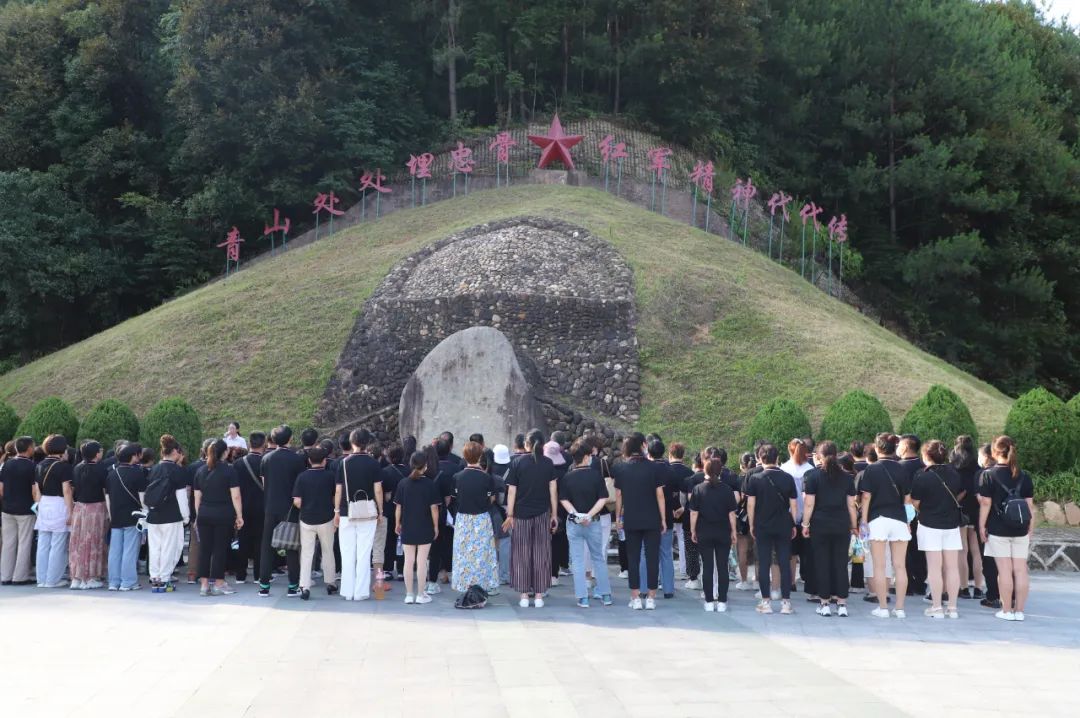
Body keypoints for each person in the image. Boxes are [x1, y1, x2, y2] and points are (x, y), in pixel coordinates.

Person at [978, 436, 1034, 622]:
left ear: (994, 452)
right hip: (1021, 528)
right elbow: (1029, 506)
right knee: (1020, 570)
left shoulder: (988, 475)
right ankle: (1020, 611)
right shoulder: (1024, 475)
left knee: (1004, 570)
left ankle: (1007, 610)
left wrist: (981, 526)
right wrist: (1030, 528)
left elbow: (986, 503)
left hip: (998, 528)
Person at [502, 429, 558, 608]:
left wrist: (510, 514)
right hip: (542, 513)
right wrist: (554, 514)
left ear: (526, 444)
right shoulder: (548, 463)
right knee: (541, 554)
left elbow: (511, 491)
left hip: (520, 515)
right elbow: (553, 491)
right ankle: (539, 596)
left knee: (521, 554)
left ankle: (524, 595)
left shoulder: (517, 462)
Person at [802, 441, 858, 617]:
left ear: (818, 456)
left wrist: (805, 524)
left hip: (820, 524)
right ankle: (842, 604)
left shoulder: (813, 476)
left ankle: (824, 603)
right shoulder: (847, 477)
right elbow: (851, 506)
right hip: (842, 524)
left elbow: (809, 504)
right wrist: (854, 526)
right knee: (841, 564)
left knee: (822, 563)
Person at [859, 433, 912, 618]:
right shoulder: (902, 469)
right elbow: (907, 500)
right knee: (900, 566)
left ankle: (883, 607)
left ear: (877, 447)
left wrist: (863, 521)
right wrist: (908, 521)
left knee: (880, 566)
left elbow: (866, 497)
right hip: (899, 520)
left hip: (878, 519)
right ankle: (900, 608)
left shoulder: (871, 469)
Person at [911, 440, 965, 618]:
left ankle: (936, 606)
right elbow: (960, 493)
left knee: (934, 567)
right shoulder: (954, 474)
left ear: (926, 456)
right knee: (952, 567)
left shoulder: (922, 476)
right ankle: (953, 607)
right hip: (951, 524)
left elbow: (916, 502)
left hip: (929, 523)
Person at [614, 432, 665, 610]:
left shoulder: (621, 469)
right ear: (643, 445)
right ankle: (651, 597)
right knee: (652, 558)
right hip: (652, 518)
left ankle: (635, 597)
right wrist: (663, 519)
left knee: (633, 558)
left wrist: (618, 517)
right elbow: (660, 495)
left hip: (631, 518)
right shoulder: (654, 468)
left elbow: (619, 496)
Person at [745, 443, 798, 614]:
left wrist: (751, 524)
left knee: (764, 562)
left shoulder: (755, 479)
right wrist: (794, 523)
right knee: (784, 562)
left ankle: (765, 602)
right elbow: (793, 505)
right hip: (783, 524)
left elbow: (751, 505)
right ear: (777, 458)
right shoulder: (787, 478)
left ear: (760, 458)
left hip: (762, 524)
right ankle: (786, 603)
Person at [560, 439, 613, 608]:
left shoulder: (567, 477)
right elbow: (603, 498)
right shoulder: (596, 476)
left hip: (574, 523)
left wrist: (576, 514)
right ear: (586, 457)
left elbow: (563, 499)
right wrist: (589, 515)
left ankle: (582, 597)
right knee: (598, 557)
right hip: (594, 522)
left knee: (577, 560)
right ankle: (605, 595)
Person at [258, 425, 307, 598]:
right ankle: (293, 585)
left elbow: (265, 483)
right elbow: (300, 485)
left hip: (270, 506)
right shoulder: (297, 459)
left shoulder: (266, 458)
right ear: (289, 439)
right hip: (290, 508)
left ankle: (264, 585)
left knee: (267, 546)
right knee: (292, 546)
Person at [335, 428, 382, 601]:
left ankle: (347, 591)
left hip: (347, 512)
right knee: (364, 553)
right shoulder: (373, 463)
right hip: (368, 512)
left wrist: (336, 511)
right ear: (367, 443)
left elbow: (338, 490)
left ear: (352, 442)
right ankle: (361, 592)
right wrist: (380, 510)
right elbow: (378, 489)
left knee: (347, 553)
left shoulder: (344, 463)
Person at [193, 439, 243, 596]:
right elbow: (236, 496)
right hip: (223, 514)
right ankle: (219, 583)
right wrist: (239, 515)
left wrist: (198, 515)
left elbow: (197, 498)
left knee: (205, 549)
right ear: (225, 452)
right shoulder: (229, 471)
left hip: (204, 514)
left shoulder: (201, 471)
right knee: (220, 549)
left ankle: (204, 585)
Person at [450, 441, 499, 598]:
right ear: (480, 456)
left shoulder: (457, 477)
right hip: (481, 518)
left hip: (463, 519)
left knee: (463, 554)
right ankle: (483, 585)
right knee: (483, 553)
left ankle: (464, 584)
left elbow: (455, 498)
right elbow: (491, 499)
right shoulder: (486, 478)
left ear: (465, 456)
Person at [690, 458, 738, 612]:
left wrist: (692, 530)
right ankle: (723, 601)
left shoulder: (698, 489)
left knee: (708, 566)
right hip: (723, 531)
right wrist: (734, 531)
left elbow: (694, 514)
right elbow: (732, 514)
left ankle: (709, 601)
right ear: (720, 471)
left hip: (704, 531)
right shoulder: (727, 489)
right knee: (723, 566)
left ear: (705, 470)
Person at [145, 435, 190, 593]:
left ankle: (155, 578)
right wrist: (186, 516)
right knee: (169, 548)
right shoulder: (178, 471)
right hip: (171, 515)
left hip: (153, 515)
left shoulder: (153, 469)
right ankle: (165, 578)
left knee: (155, 547)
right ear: (176, 452)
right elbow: (181, 497)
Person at [293, 444, 338, 600]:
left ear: (309, 460)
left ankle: (304, 586)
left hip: (306, 519)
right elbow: (334, 498)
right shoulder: (330, 476)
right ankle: (331, 582)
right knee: (328, 551)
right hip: (326, 518)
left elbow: (297, 501)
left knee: (306, 553)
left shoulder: (302, 477)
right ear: (324, 460)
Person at [395, 451, 441, 605]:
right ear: (425, 466)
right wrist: (435, 527)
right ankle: (421, 595)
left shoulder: (403, 483)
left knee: (408, 561)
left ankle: (409, 594)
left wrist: (397, 524)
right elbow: (434, 508)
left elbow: (398, 508)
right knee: (422, 562)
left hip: (408, 526)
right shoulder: (430, 484)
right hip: (425, 526)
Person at [105, 442, 148, 591]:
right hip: (133, 516)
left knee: (115, 550)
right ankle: (128, 582)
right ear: (132, 456)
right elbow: (142, 498)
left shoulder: (111, 473)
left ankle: (113, 582)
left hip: (115, 515)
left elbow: (108, 498)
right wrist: (145, 514)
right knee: (130, 550)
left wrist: (111, 516)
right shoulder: (137, 473)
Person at [33, 435, 74, 588]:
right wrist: (70, 511)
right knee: (58, 543)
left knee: (43, 543)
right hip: (59, 503)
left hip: (43, 503)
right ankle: (53, 579)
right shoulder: (63, 467)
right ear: (62, 449)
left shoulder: (39, 465)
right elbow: (67, 491)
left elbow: (37, 490)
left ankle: (41, 579)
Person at [69, 440, 108, 590]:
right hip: (96, 508)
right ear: (96, 453)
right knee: (94, 541)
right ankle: (91, 577)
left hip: (79, 508)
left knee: (78, 542)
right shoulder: (101, 469)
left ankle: (77, 577)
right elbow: (105, 491)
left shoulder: (77, 468)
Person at [641, 438, 677, 598]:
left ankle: (643, 588)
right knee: (666, 553)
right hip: (667, 516)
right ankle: (668, 589)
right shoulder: (670, 471)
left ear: (648, 451)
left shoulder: (646, 469)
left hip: (648, 515)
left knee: (645, 553)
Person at [951, 435, 984, 600]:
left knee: (962, 551)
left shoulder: (954, 469)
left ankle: (963, 588)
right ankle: (978, 587)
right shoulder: (978, 470)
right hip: (976, 511)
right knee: (976, 550)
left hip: (960, 511)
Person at [780, 438, 815, 598]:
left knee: (792, 552)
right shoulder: (810, 468)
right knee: (807, 551)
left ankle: (791, 581)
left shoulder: (784, 468)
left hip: (790, 513)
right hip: (809, 514)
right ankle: (809, 580)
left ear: (789, 450)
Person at [1, 437, 37, 585]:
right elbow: (34, 491)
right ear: (29, 448)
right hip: (25, 510)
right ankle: (20, 576)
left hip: (7, 509)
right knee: (24, 543)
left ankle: (5, 576)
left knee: (8, 543)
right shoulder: (31, 466)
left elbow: (1, 490)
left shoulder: (7, 465)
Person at [231, 432, 265, 584]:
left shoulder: (238, 463)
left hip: (242, 507)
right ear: (263, 444)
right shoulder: (266, 461)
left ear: (249, 443)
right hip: (261, 507)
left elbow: (235, 489)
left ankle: (240, 575)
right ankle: (258, 575)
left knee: (242, 540)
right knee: (259, 541)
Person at [898, 434, 928, 597]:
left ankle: (907, 582)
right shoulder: (924, 465)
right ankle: (920, 582)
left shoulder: (899, 467)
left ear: (907, 447)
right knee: (919, 548)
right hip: (922, 512)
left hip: (903, 512)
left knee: (905, 549)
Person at [380, 444, 409, 580]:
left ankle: (388, 569)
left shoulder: (385, 472)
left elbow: (384, 494)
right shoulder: (409, 471)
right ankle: (402, 570)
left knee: (389, 539)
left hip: (389, 509)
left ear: (389, 457)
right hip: (406, 509)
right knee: (404, 540)